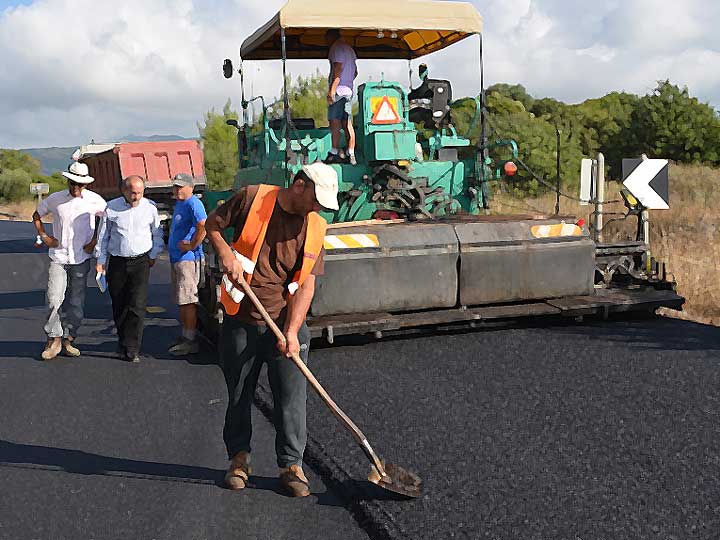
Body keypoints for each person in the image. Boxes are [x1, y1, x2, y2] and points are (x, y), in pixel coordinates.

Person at [205, 162, 339, 497]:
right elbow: (213, 225)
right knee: (239, 393)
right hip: (242, 318)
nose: (318, 207)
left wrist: (292, 331)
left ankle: (291, 465)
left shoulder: (317, 227)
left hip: (284, 321)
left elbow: (306, 285)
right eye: (316, 198)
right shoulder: (253, 198)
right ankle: (239, 459)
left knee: (292, 398)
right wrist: (226, 253)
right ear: (298, 185)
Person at [32, 162, 107, 360]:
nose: (75, 187)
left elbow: (107, 220)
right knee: (53, 298)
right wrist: (45, 237)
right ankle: (53, 338)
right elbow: (37, 214)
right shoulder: (56, 199)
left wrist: (95, 241)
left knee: (76, 302)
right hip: (59, 257)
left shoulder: (95, 200)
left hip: (81, 258)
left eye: (79, 184)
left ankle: (69, 338)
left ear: (86, 184)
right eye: (72, 183)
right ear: (67, 180)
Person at [95, 176, 164, 363]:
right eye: (133, 192)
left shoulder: (149, 207)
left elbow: (157, 232)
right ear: (124, 191)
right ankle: (123, 340)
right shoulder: (112, 208)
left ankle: (133, 348)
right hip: (117, 261)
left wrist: (153, 254)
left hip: (141, 261)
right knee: (119, 303)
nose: (137, 196)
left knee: (137, 304)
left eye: (140, 193)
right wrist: (100, 261)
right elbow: (103, 236)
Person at [167, 173, 207, 356]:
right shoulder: (180, 204)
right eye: (176, 186)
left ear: (190, 187)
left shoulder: (193, 203)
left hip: (188, 259)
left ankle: (190, 340)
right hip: (178, 259)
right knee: (182, 300)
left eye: (181, 187)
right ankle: (185, 336)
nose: (177, 190)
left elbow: (203, 225)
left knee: (188, 300)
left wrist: (192, 245)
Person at [325, 29, 358, 165]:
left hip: (339, 91)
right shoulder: (350, 49)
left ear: (331, 37)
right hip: (348, 91)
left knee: (335, 122)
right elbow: (355, 72)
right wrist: (349, 83)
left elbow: (337, 69)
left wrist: (332, 90)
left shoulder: (336, 48)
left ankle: (334, 152)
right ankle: (351, 153)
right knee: (347, 123)